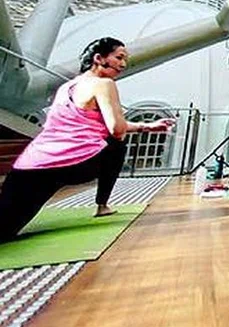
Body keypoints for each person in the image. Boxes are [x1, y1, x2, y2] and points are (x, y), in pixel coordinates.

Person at [0, 38, 175, 242]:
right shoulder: (104, 84)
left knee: (6, 223)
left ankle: (102, 205)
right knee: (117, 144)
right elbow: (116, 129)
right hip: (75, 163)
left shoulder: (66, 87)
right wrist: (126, 120)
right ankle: (102, 205)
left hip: (30, 165)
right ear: (99, 58)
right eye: (119, 57)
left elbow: (96, 122)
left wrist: (147, 126)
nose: (123, 64)